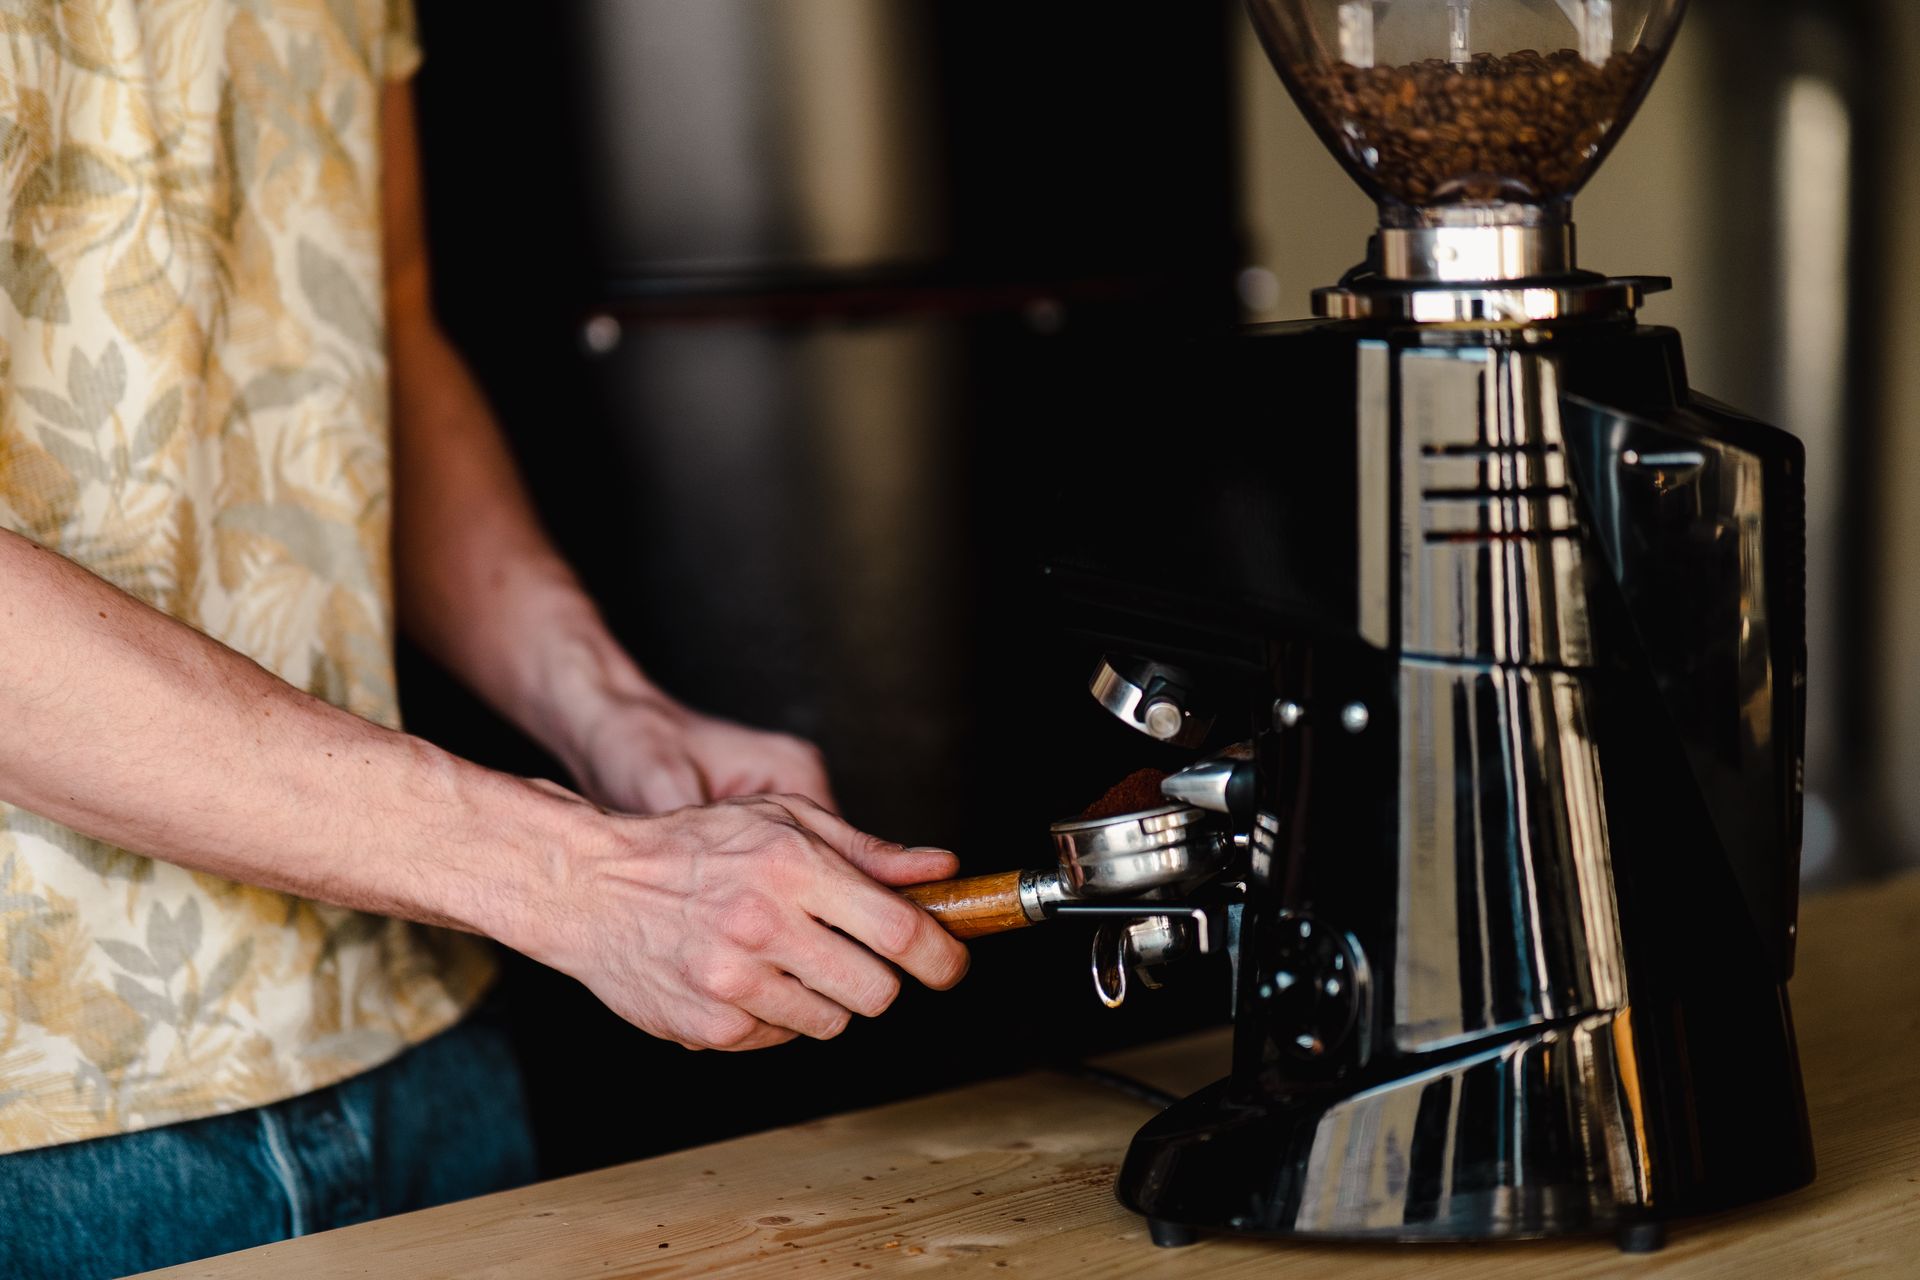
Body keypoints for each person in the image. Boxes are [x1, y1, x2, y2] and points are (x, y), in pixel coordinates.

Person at [0, 3, 969, 1274]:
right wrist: (579, 876)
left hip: (413, 1029)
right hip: (52, 1128)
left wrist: (607, 707)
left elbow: (372, 326)